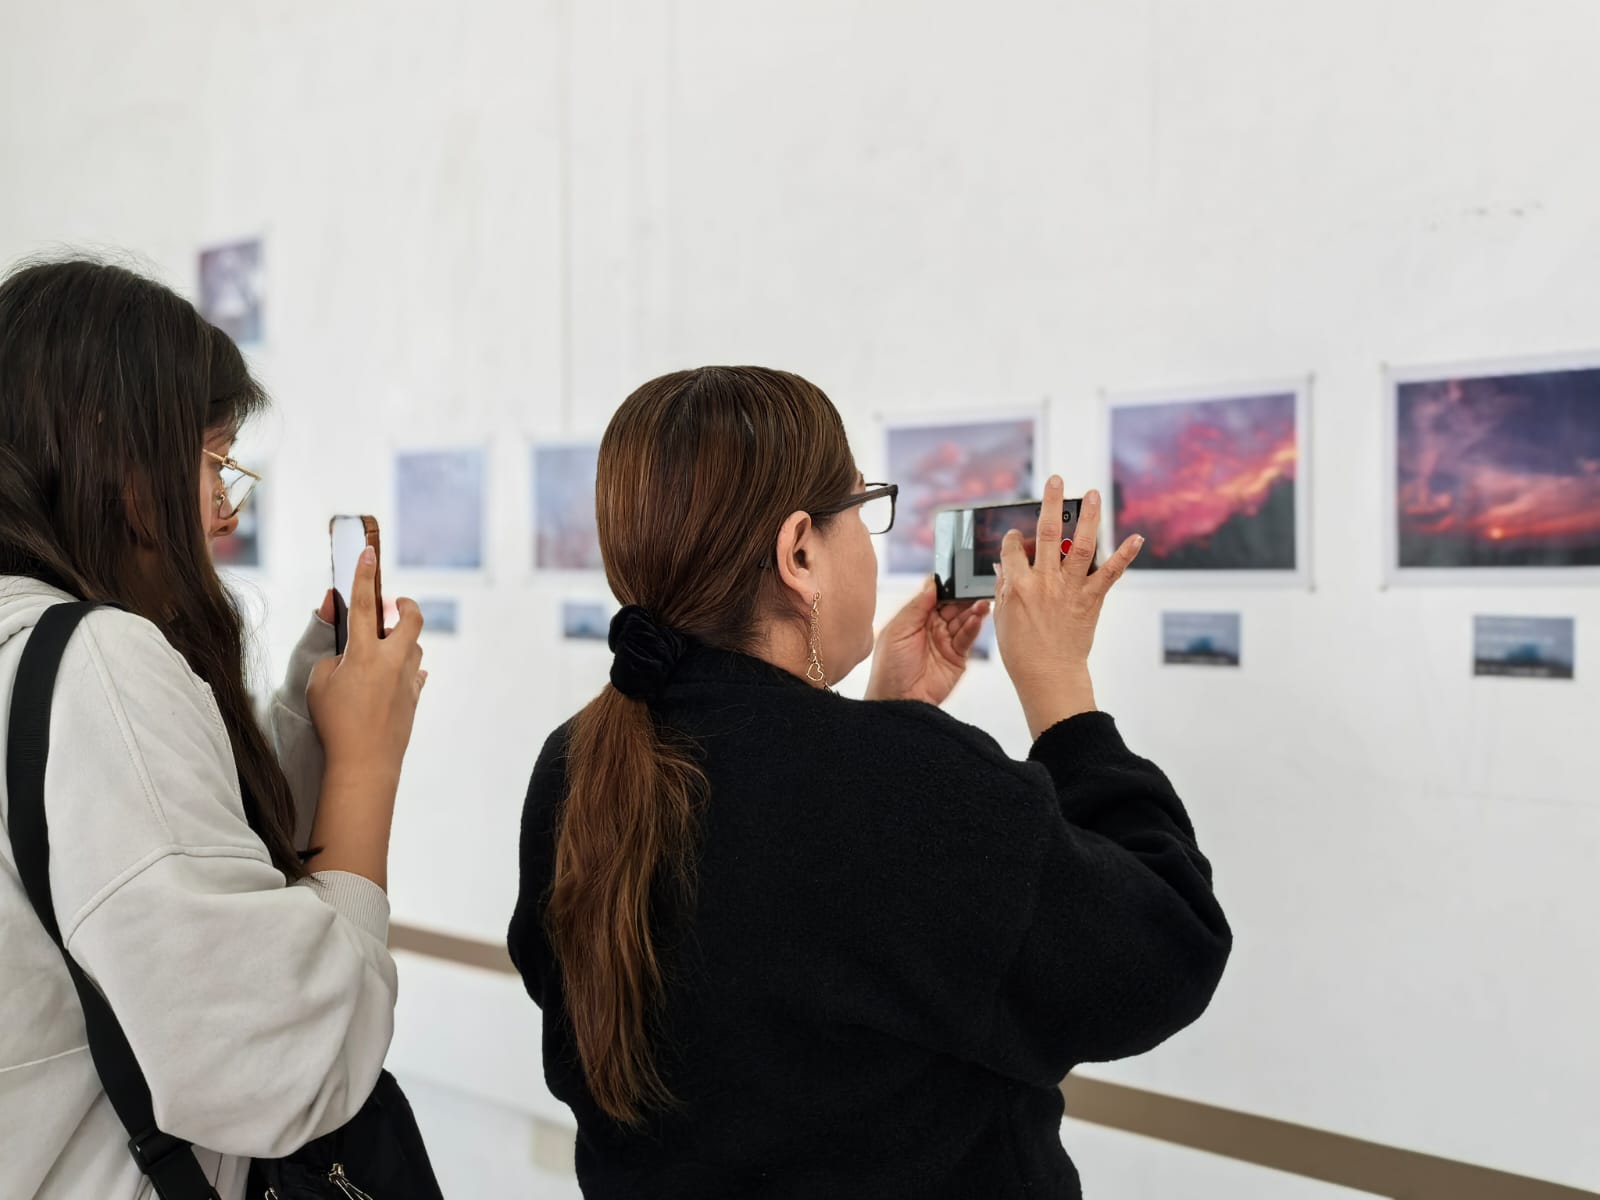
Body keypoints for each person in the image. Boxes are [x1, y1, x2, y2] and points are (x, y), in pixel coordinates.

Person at [507, 365, 1233, 1198]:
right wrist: (1063, 699)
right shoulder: (905, 782)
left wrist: (875, 715)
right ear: (801, 552)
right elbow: (1165, 952)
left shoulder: (575, 766)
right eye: (862, 508)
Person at [0, 258, 427, 1200]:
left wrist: (306, 722)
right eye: (212, 462)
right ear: (114, 450)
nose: (225, 515)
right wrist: (364, 768)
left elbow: (139, 886)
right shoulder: (94, 660)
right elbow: (291, 1060)